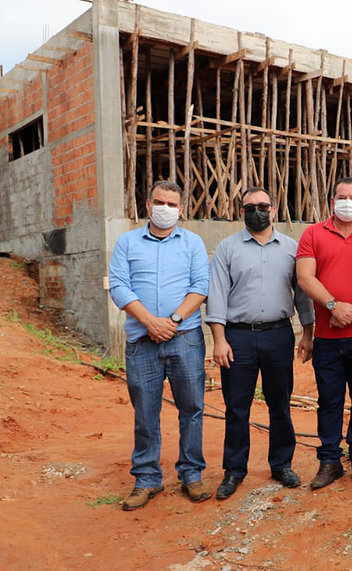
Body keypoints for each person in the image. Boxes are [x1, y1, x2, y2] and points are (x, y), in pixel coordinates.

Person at [206, 186, 316, 500]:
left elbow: (303, 295)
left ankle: (281, 464)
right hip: (237, 337)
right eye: (250, 207)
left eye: (263, 206)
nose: (257, 211)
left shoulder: (292, 248)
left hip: (278, 335)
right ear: (241, 212)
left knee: (279, 403)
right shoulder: (227, 249)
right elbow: (216, 295)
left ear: (273, 209)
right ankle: (234, 470)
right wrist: (219, 340)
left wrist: (307, 334)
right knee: (236, 406)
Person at [108, 180, 211, 510]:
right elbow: (119, 287)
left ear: (181, 210)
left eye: (172, 204)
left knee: (192, 408)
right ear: (148, 205)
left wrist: (173, 320)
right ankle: (147, 478)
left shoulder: (193, 243)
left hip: (185, 338)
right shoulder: (127, 242)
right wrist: (150, 322)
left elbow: (201, 286)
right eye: (159, 202)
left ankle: (191, 474)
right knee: (145, 412)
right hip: (142, 340)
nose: (165, 209)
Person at [296, 177, 352, 489]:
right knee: (329, 400)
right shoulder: (312, 234)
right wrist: (334, 306)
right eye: (341, 197)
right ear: (332, 201)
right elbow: (305, 278)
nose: (347, 202)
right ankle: (329, 460)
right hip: (326, 338)